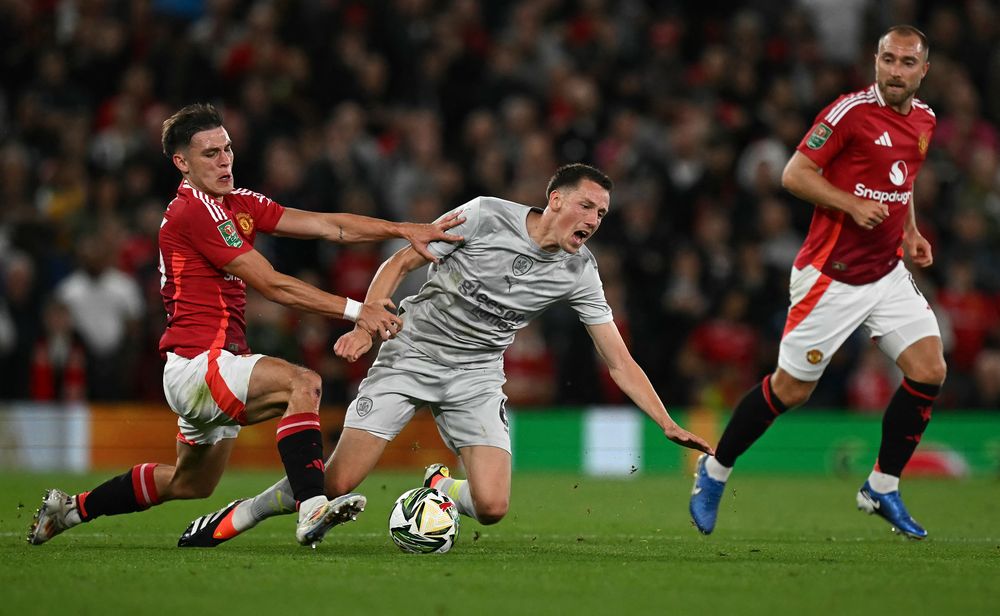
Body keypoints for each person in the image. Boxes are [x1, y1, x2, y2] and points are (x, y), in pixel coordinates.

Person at [177, 163, 714, 548]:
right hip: (411, 353)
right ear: (555, 200)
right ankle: (243, 515)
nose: (594, 219)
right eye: (587, 206)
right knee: (335, 484)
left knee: (493, 507)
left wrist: (665, 421)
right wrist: (367, 321)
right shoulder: (484, 215)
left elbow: (618, 359)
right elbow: (401, 261)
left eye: (602, 213)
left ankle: (439, 486)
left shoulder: (580, 271)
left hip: (476, 376)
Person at [27, 103, 463, 547]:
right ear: (182, 163)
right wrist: (358, 311)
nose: (224, 161)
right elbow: (272, 284)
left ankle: (71, 509)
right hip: (202, 364)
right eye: (210, 153)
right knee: (303, 383)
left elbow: (328, 226)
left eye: (227, 149)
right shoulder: (193, 211)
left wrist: (403, 229)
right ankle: (312, 507)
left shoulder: (237, 203)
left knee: (190, 483)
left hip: (202, 369)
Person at [689, 25, 945, 539]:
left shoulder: (925, 119)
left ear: (923, 69)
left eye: (906, 62)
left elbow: (904, 179)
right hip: (831, 277)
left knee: (929, 370)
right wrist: (851, 205)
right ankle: (714, 469)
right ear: (875, 61)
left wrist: (910, 231)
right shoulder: (849, 113)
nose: (895, 71)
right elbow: (794, 174)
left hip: (886, 273)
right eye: (888, 60)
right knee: (791, 390)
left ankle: (882, 486)